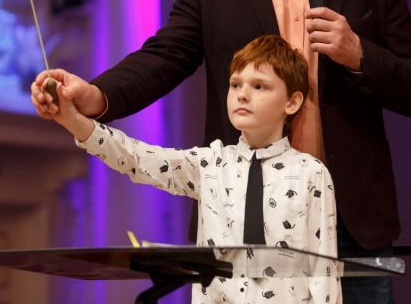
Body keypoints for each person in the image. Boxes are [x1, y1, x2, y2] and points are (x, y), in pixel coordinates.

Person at [31, 0, 411, 301]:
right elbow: (163, 58)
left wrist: (359, 54)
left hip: (353, 220)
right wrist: (96, 96)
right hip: (241, 217)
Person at [39, 35, 341, 303]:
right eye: (236, 84)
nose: (242, 94)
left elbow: (324, 270)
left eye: (259, 86)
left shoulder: (310, 173)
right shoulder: (211, 164)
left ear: (292, 102)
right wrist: (72, 120)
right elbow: (136, 159)